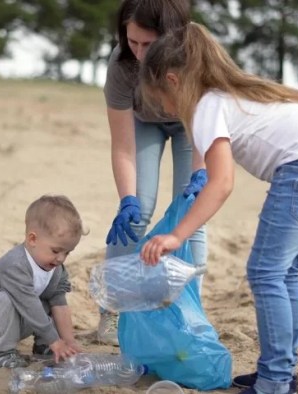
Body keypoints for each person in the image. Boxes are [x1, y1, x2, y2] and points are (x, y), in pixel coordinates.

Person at [138, 23, 298, 394]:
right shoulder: (228, 95)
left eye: (160, 99)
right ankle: (280, 372)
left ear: (173, 81)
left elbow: (221, 183)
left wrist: (177, 234)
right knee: (283, 272)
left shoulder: (206, 106)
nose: (164, 108)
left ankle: (274, 381)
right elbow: (212, 172)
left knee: (265, 272)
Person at [98, 0, 209, 346]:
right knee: (137, 212)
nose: (140, 52)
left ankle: (190, 314)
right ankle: (112, 311)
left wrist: (201, 174)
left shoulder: (198, 62)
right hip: (144, 125)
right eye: (133, 42)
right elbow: (122, 146)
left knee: (191, 218)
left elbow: (209, 128)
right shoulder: (122, 66)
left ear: (171, 37)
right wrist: (126, 199)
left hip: (191, 129)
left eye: (149, 44)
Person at [0, 195, 85, 368]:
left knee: (47, 298)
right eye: (56, 250)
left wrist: (68, 341)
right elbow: (28, 304)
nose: (61, 258)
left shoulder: (56, 269)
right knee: (8, 299)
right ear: (32, 239)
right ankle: (1, 353)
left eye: (67, 252)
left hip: (17, 317)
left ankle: (43, 346)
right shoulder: (17, 264)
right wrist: (55, 340)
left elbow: (60, 304)